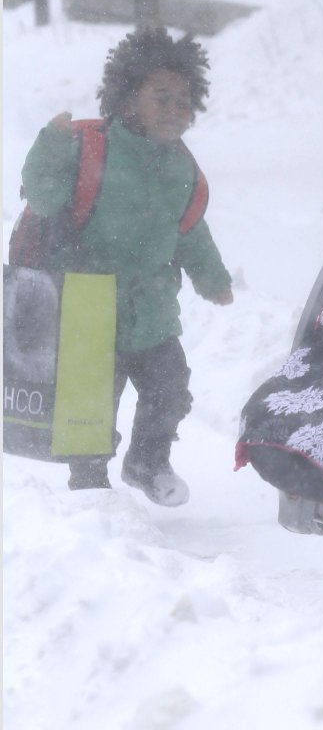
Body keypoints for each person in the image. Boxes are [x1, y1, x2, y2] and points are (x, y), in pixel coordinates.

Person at [20, 27, 233, 505]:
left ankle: (147, 461)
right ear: (127, 96)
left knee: (170, 388)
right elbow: (44, 195)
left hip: (152, 310)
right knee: (91, 404)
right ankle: (89, 485)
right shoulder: (91, 148)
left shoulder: (182, 168)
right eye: (162, 98)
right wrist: (50, 147)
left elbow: (190, 228)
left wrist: (211, 275)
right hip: (87, 306)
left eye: (183, 101)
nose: (175, 111)